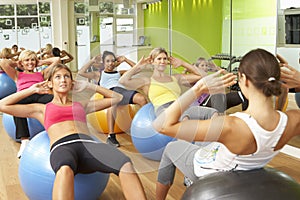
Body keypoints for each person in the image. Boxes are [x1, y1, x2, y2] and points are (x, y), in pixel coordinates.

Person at [151, 48, 300, 200]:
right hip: (238, 162)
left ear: (244, 79)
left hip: (210, 172)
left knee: (171, 148)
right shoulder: (292, 121)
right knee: (206, 142)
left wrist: (198, 89)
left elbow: (161, 125)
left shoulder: (230, 125)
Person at [0, 64, 147, 200]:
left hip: (89, 145)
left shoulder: (81, 105)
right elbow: (2, 105)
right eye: (57, 77)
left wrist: (89, 86)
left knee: (125, 163)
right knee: (64, 169)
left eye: (66, 76)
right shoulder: (41, 109)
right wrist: (32, 89)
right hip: (63, 147)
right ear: (50, 83)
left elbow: (117, 97)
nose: (63, 79)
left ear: (72, 83)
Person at [119, 47, 217, 118]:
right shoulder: (146, 81)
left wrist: (183, 63)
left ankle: (205, 145)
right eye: (159, 58)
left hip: (180, 105)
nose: (162, 61)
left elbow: (202, 76)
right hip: (164, 110)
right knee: (185, 119)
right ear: (152, 61)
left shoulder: (175, 78)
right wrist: (138, 66)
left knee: (213, 113)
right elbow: (123, 81)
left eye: (165, 59)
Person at [78, 51, 147, 147]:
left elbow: (137, 68)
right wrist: (92, 61)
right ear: (103, 63)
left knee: (142, 98)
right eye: (108, 61)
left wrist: (125, 60)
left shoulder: (120, 73)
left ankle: (146, 128)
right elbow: (81, 72)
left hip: (123, 92)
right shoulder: (98, 74)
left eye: (113, 61)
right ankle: (111, 136)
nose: (111, 63)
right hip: (110, 93)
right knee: (113, 103)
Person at [0, 50, 60, 158]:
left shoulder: (42, 73)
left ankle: (57, 132)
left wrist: (41, 62)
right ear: (22, 63)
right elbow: (3, 62)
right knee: (15, 105)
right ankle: (25, 140)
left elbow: (57, 60)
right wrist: (17, 63)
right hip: (24, 96)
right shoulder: (17, 74)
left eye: (32, 60)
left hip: (40, 95)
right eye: (27, 60)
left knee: (55, 101)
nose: (30, 62)